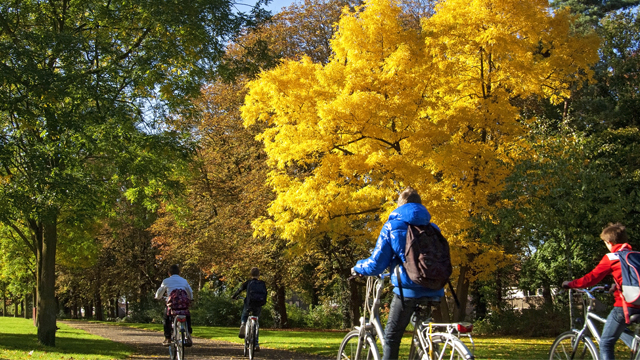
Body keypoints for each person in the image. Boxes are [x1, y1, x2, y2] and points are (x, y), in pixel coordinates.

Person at [352, 187, 444, 360]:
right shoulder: (433, 228)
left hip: (407, 289)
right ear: (420, 205)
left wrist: (358, 267)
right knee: (422, 333)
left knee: (391, 338)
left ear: (400, 205)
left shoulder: (393, 226)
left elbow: (376, 264)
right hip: (435, 288)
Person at [562, 223, 640, 360]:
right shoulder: (636, 256)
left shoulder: (612, 257)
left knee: (606, 343)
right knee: (618, 330)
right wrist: (615, 286)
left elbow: (590, 279)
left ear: (609, 242)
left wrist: (570, 284)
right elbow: (632, 279)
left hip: (626, 307)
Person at [155, 264, 194, 346]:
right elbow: (190, 291)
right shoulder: (184, 281)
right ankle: (188, 334)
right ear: (179, 273)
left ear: (169, 273)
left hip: (172, 306)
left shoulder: (166, 281)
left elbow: (160, 292)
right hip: (183, 306)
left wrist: (157, 297)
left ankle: (168, 338)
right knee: (187, 315)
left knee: (166, 318)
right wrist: (190, 299)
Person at [232, 267, 267, 352]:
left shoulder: (248, 282)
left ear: (251, 274)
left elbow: (240, 289)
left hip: (249, 304)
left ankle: (243, 324)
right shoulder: (262, 283)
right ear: (259, 275)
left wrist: (234, 296)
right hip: (258, 305)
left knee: (244, 315)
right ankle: (256, 344)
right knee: (256, 323)